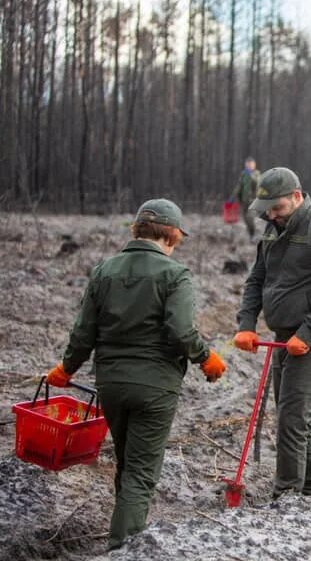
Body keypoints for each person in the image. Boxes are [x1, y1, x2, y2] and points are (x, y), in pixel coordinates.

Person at [45, 199, 226, 550]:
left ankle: (124, 532)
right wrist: (206, 358)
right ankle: (122, 548)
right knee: (141, 474)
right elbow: (180, 330)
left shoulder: (104, 270)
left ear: (136, 229)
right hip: (155, 388)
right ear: (173, 235)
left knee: (128, 463)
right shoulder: (176, 275)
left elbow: (84, 333)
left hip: (111, 384)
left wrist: (66, 368)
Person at [233, 167, 311, 498]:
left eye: (278, 208)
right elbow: (256, 280)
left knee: (291, 417)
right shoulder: (272, 232)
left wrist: (308, 332)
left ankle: (285, 495)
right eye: (267, 210)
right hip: (282, 338)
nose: (272, 215)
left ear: (297, 197)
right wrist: (246, 324)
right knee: (298, 416)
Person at [230, 157, 262, 240]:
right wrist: (233, 197)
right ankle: (251, 235)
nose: (249, 166)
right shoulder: (243, 174)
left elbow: (257, 183)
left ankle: (253, 233)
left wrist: (251, 175)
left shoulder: (257, 173)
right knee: (245, 219)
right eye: (248, 164)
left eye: (251, 164)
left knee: (250, 217)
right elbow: (239, 186)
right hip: (244, 201)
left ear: (254, 165)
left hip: (254, 201)